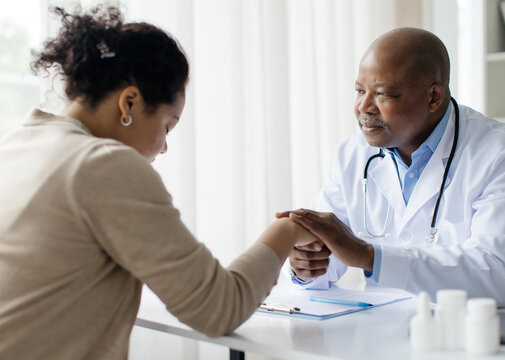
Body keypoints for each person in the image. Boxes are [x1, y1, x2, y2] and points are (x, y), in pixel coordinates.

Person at [0, 6, 318, 359]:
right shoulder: (102, 164)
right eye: (168, 125)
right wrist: (288, 230)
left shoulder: (19, 143)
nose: (164, 147)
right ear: (130, 102)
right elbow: (218, 308)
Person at [278, 27, 505, 307]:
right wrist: (306, 266)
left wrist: (369, 257)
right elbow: (326, 260)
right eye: (359, 90)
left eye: (383, 94)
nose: (363, 107)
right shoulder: (352, 156)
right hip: (384, 332)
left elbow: (497, 276)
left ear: (433, 97)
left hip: (484, 338)